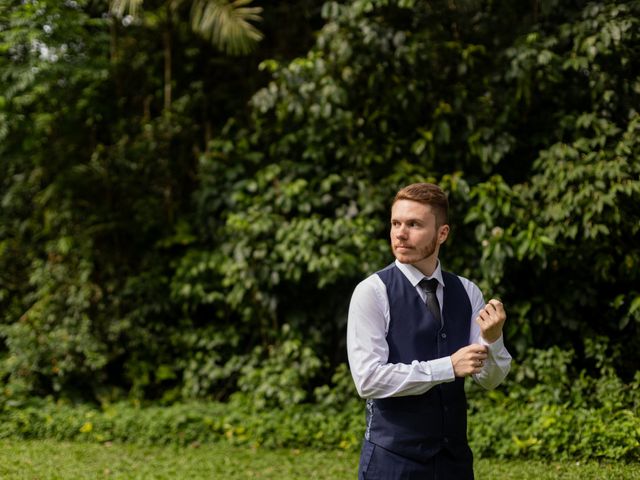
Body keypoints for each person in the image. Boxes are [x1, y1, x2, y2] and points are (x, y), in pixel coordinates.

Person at [347, 182, 512, 479]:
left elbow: (490, 380)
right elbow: (368, 380)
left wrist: (493, 339)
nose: (400, 233)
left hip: (454, 462)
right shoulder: (372, 292)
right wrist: (447, 367)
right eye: (396, 223)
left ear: (442, 233)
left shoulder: (467, 291)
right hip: (392, 462)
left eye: (414, 224)